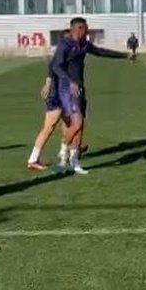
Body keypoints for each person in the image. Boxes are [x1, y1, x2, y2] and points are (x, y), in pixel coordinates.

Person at [51, 17, 135, 174]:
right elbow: (56, 66)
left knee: (80, 126)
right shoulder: (65, 45)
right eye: (86, 28)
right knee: (77, 123)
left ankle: (74, 162)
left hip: (79, 88)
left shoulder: (83, 45)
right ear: (78, 29)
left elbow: (100, 52)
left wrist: (125, 56)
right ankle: (63, 155)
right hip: (67, 88)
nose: (88, 30)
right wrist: (70, 82)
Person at [26, 29, 84, 171]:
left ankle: (66, 149)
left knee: (69, 122)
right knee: (49, 127)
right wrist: (48, 83)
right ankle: (33, 159)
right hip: (57, 95)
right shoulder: (61, 55)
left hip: (62, 94)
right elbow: (53, 68)